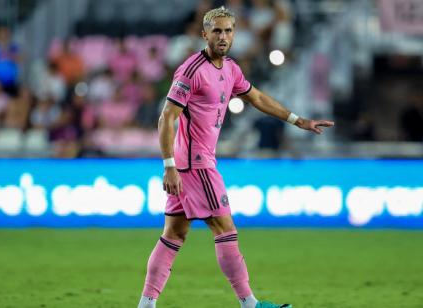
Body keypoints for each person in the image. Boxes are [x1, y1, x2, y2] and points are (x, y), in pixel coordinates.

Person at [137, 7, 334, 308]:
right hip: (195, 163)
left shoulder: (230, 69)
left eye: (228, 30)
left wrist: (298, 120)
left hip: (195, 162)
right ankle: (250, 304)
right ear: (204, 34)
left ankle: (146, 305)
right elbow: (167, 118)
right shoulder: (191, 70)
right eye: (216, 30)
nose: (223, 36)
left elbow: (256, 98)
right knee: (225, 229)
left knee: (174, 234)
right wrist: (169, 166)